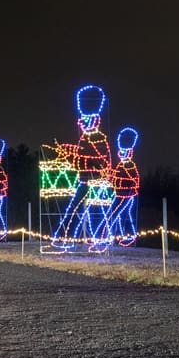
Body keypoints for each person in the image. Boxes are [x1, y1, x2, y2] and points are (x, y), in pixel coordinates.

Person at [51, 85, 113, 250]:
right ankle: (66, 238)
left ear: (95, 120)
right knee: (78, 210)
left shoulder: (99, 139)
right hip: (85, 180)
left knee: (93, 212)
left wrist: (72, 155)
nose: (81, 124)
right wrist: (68, 151)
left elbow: (97, 161)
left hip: (96, 182)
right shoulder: (86, 138)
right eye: (81, 120)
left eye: (85, 120)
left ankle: (94, 240)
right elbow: (81, 156)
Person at [107, 127, 140, 247]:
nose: (121, 154)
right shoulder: (121, 165)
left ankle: (106, 237)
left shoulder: (130, 165)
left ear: (130, 152)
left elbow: (131, 179)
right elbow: (117, 177)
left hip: (125, 194)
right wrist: (111, 177)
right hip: (120, 193)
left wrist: (114, 175)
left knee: (113, 214)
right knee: (123, 215)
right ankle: (127, 237)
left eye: (124, 152)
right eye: (120, 152)